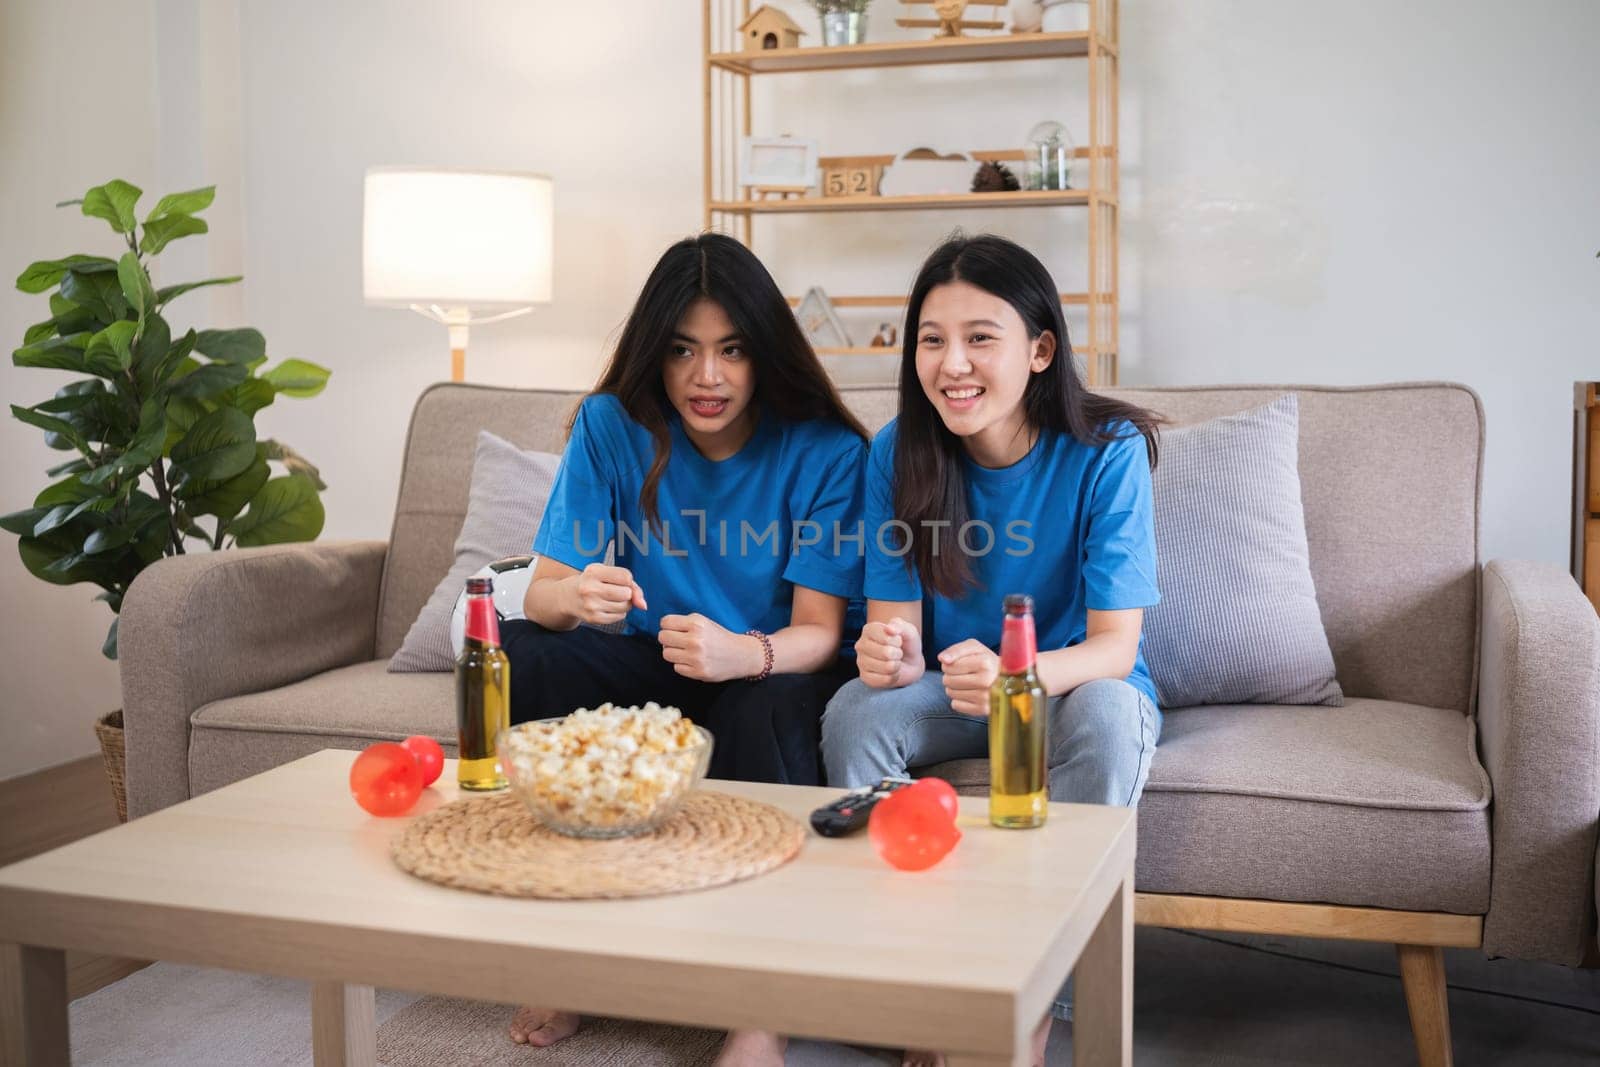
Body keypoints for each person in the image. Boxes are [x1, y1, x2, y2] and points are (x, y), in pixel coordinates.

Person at [498, 232, 869, 1059]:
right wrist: (575, 595)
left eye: (733, 351)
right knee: (528, 650)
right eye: (684, 351)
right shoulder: (610, 424)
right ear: (654, 356)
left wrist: (749, 652)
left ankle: (759, 1007)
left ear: (764, 354)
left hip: (768, 668)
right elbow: (543, 590)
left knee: (765, 705)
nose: (709, 377)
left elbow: (820, 633)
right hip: (650, 663)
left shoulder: (826, 449)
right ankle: (567, 954)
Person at [822, 233, 1164, 1067]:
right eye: (932, 339)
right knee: (854, 711)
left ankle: (1032, 1004)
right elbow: (900, 635)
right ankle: (923, 981)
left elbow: (1116, 647)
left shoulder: (1106, 453)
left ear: (1040, 349)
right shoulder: (897, 450)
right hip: (959, 690)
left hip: (1072, 685)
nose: (953, 363)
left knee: (1114, 721)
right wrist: (888, 657)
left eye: (981, 337)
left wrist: (1021, 673)